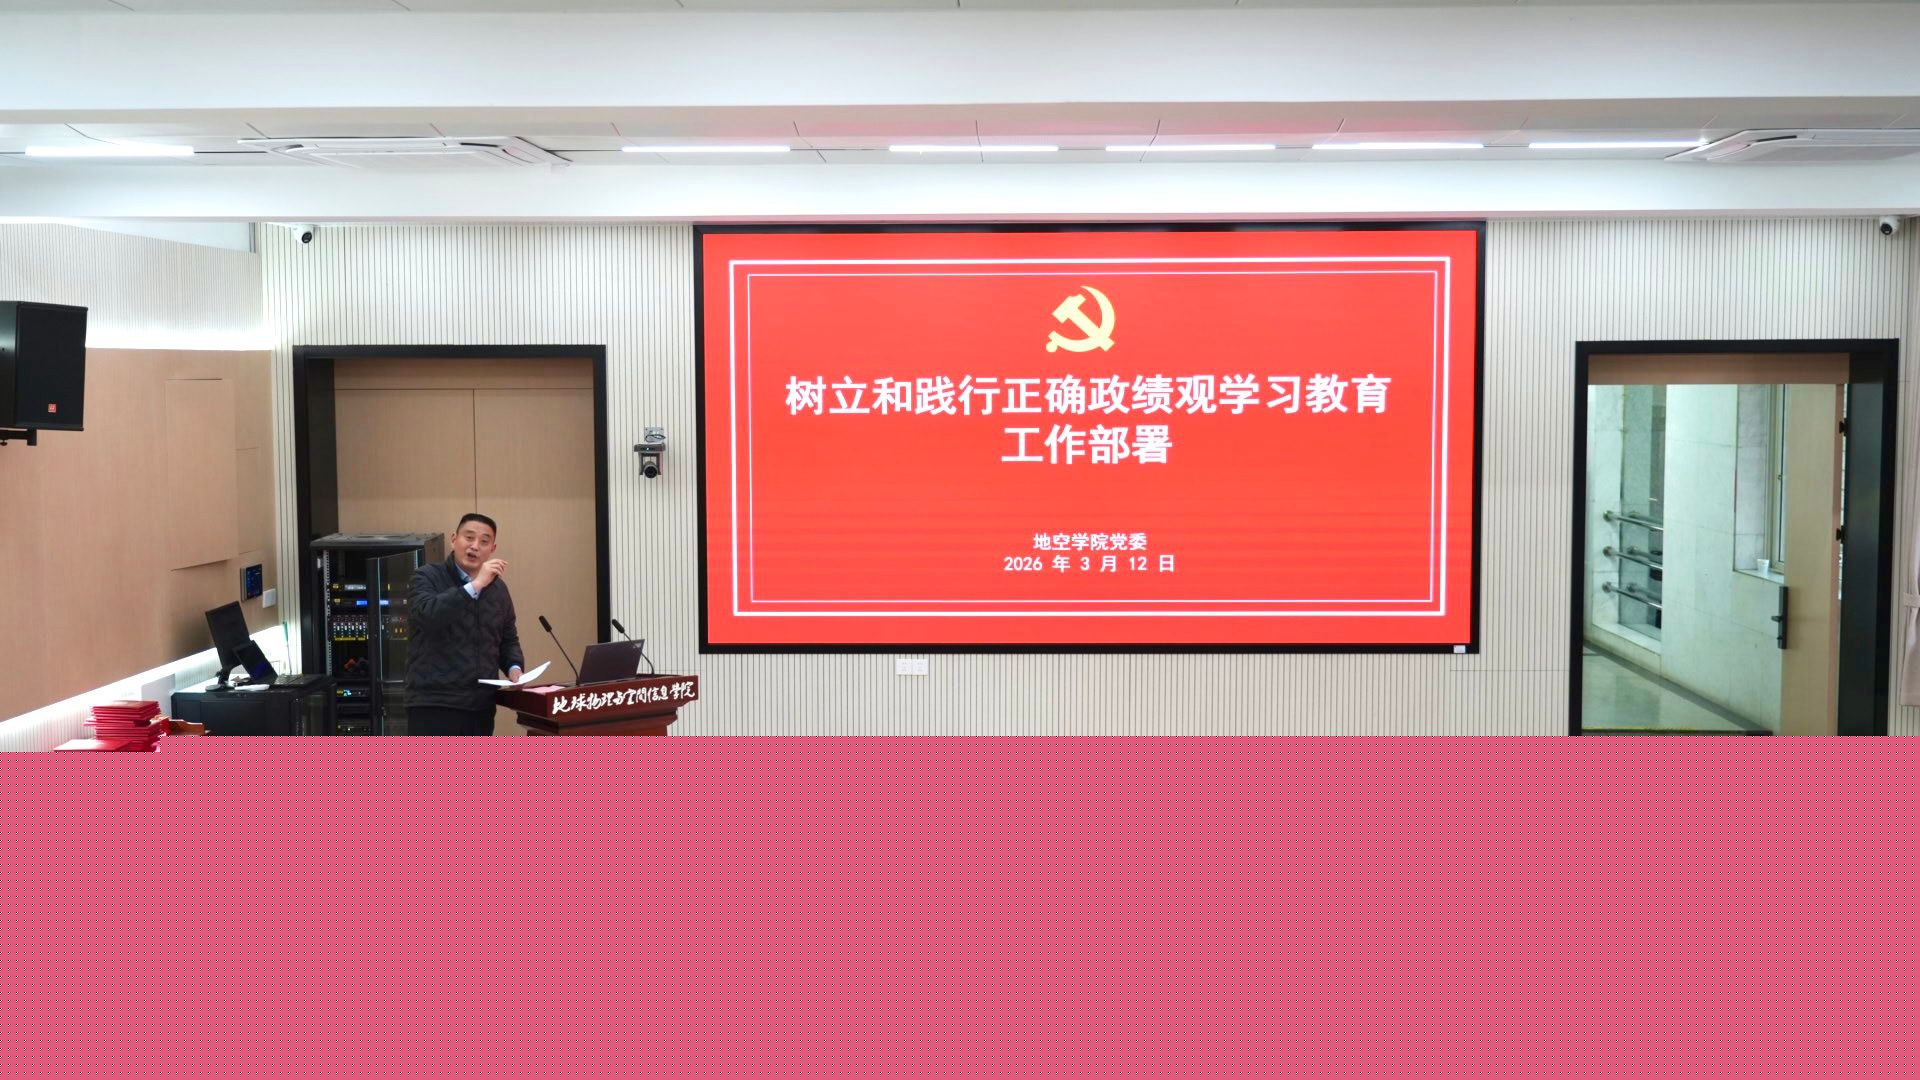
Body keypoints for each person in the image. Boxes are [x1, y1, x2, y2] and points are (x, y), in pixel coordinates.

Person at [405, 513, 523, 736]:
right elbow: (428, 616)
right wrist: (475, 585)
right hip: (434, 705)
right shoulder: (426, 576)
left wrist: (514, 668)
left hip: (481, 707)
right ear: (454, 539)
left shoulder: (498, 590)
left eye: (484, 541)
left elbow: (508, 639)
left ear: (492, 549)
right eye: (469, 538)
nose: (475, 546)